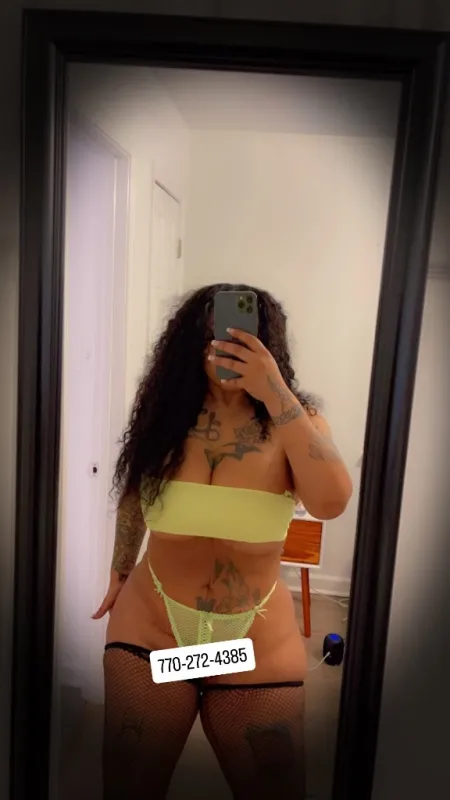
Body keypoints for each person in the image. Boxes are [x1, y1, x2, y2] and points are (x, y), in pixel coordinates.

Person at [93, 282, 353, 800]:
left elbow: (331, 502)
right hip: (152, 628)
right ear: (190, 341)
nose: (225, 346)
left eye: (241, 333)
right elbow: (135, 494)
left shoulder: (294, 422)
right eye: (212, 334)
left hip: (254, 643)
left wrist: (276, 393)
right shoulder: (165, 418)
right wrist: (120, 570)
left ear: (266, 343)